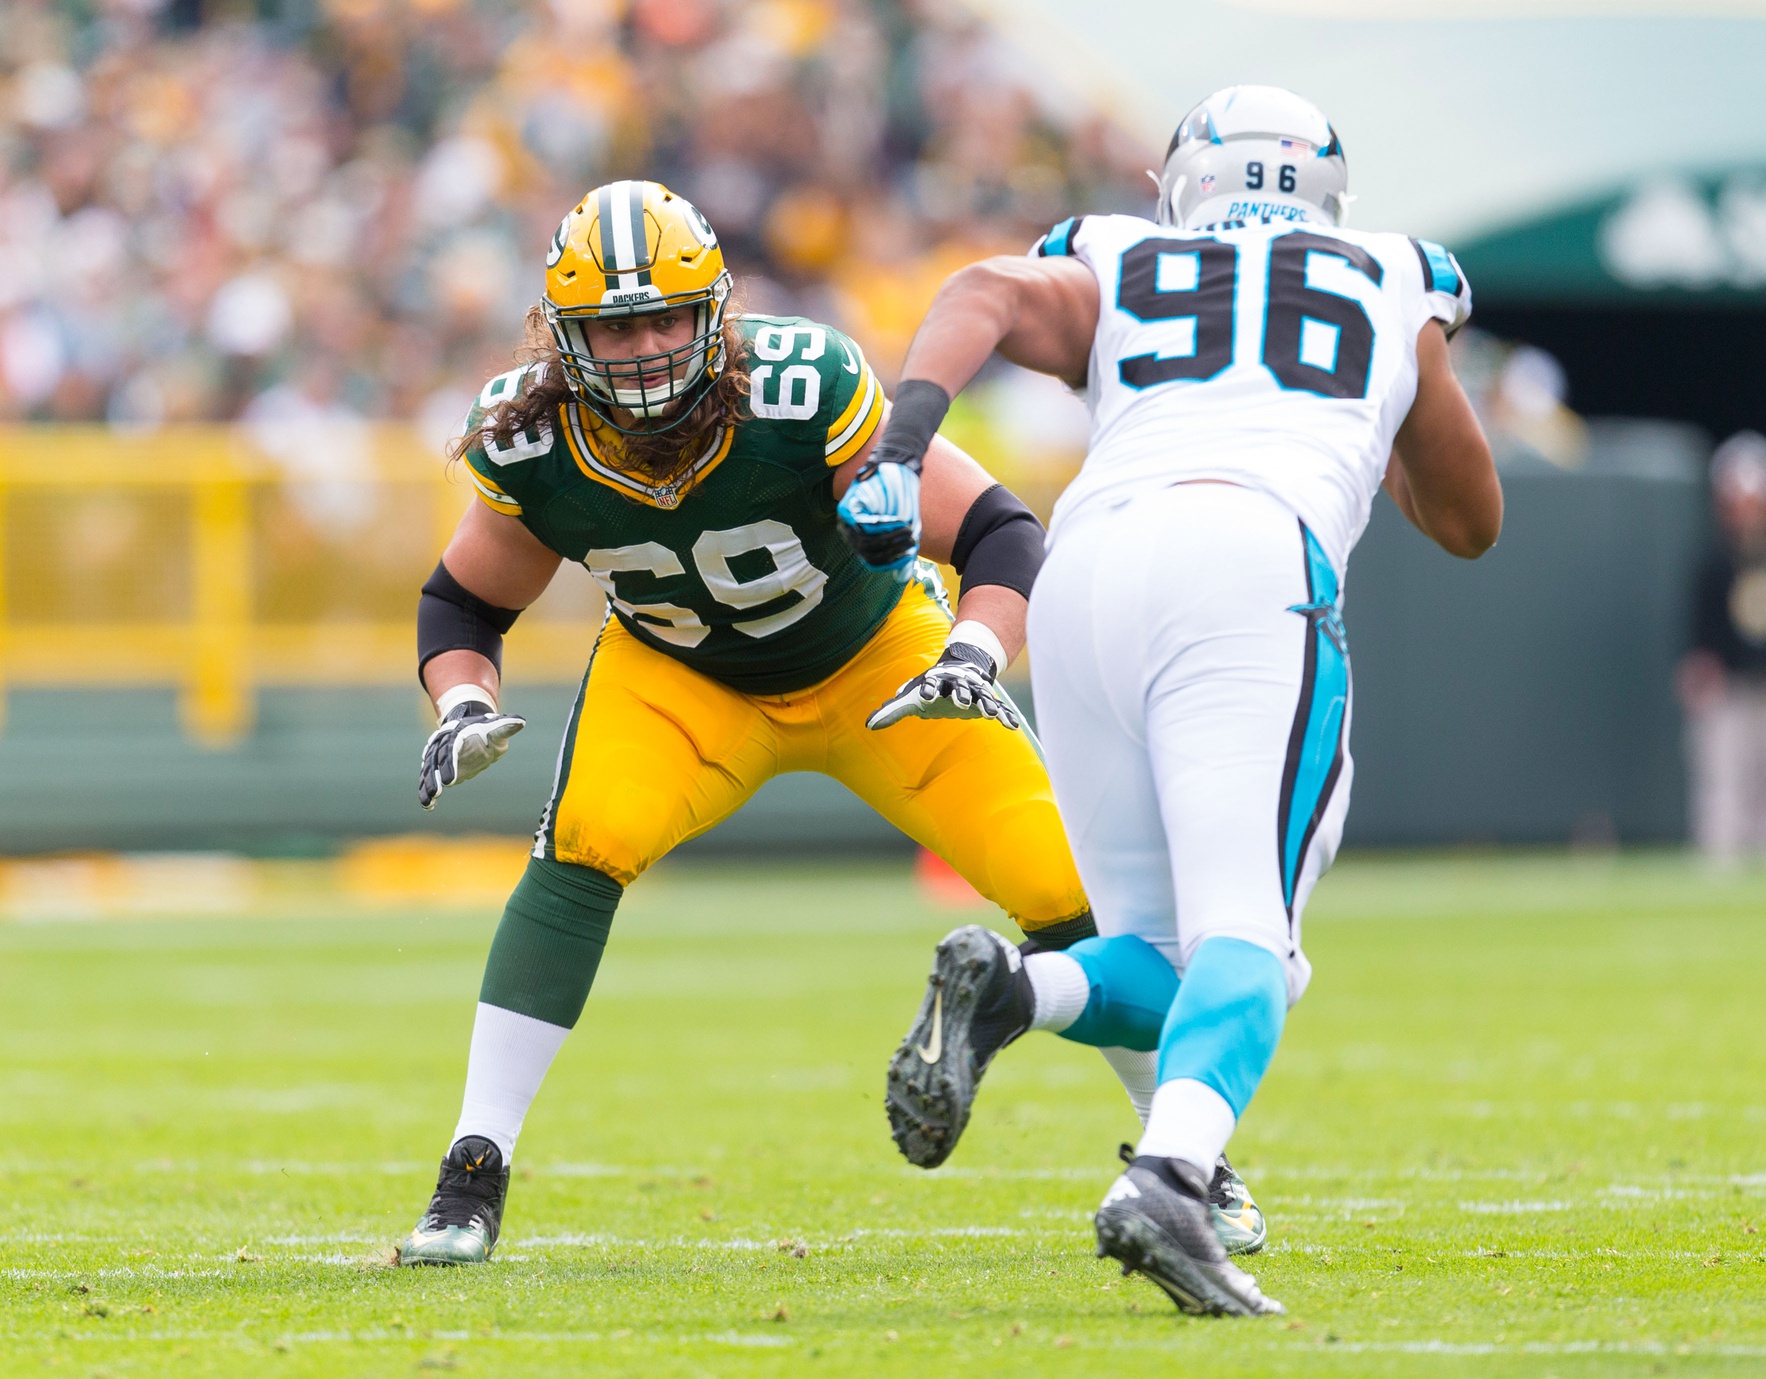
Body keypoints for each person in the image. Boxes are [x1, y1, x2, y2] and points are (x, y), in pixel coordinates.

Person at [399, 179, 1229, 1266]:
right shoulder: (530, 433)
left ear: (714, 314)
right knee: (581, 846)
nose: (645, 348)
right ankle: (472, 1169)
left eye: (662, 318)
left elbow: (997, 532)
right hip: (679, 679)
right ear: (563, 338)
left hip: (875, 661)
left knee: (1067, 887)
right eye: (614, 326)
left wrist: (973, 653)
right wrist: (463, 700)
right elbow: (463, 600)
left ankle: (1186, 1168)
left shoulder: (800, 386)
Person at [843, 88, 1502, 1316]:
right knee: (1251, 939)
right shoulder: (1396, 274)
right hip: (1250, 558)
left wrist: (898, 446)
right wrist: (1395, 405)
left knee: (1151, 949)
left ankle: (1013, 988)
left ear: (1182, 183)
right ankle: (1171, 1176)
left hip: (1086, 568)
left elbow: (979, 290)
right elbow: (1470, 522)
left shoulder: (1117, 247)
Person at [1679, 431, 1766, 861]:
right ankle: (1719, 866)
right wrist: (1699, 670)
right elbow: (1701, 631)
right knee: (1722, 778)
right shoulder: (1712, 560)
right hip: (1728, 690)